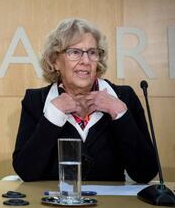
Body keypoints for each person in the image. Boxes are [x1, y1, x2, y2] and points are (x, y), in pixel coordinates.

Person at [12, 18, 158, 183]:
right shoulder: (36, 101)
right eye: (75, 52)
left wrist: (121, 115)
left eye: (92, 52)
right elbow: (26, 171)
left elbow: (146, 173)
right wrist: (52, 116)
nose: (86, 61)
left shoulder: (124, 97)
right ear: (55, 61)